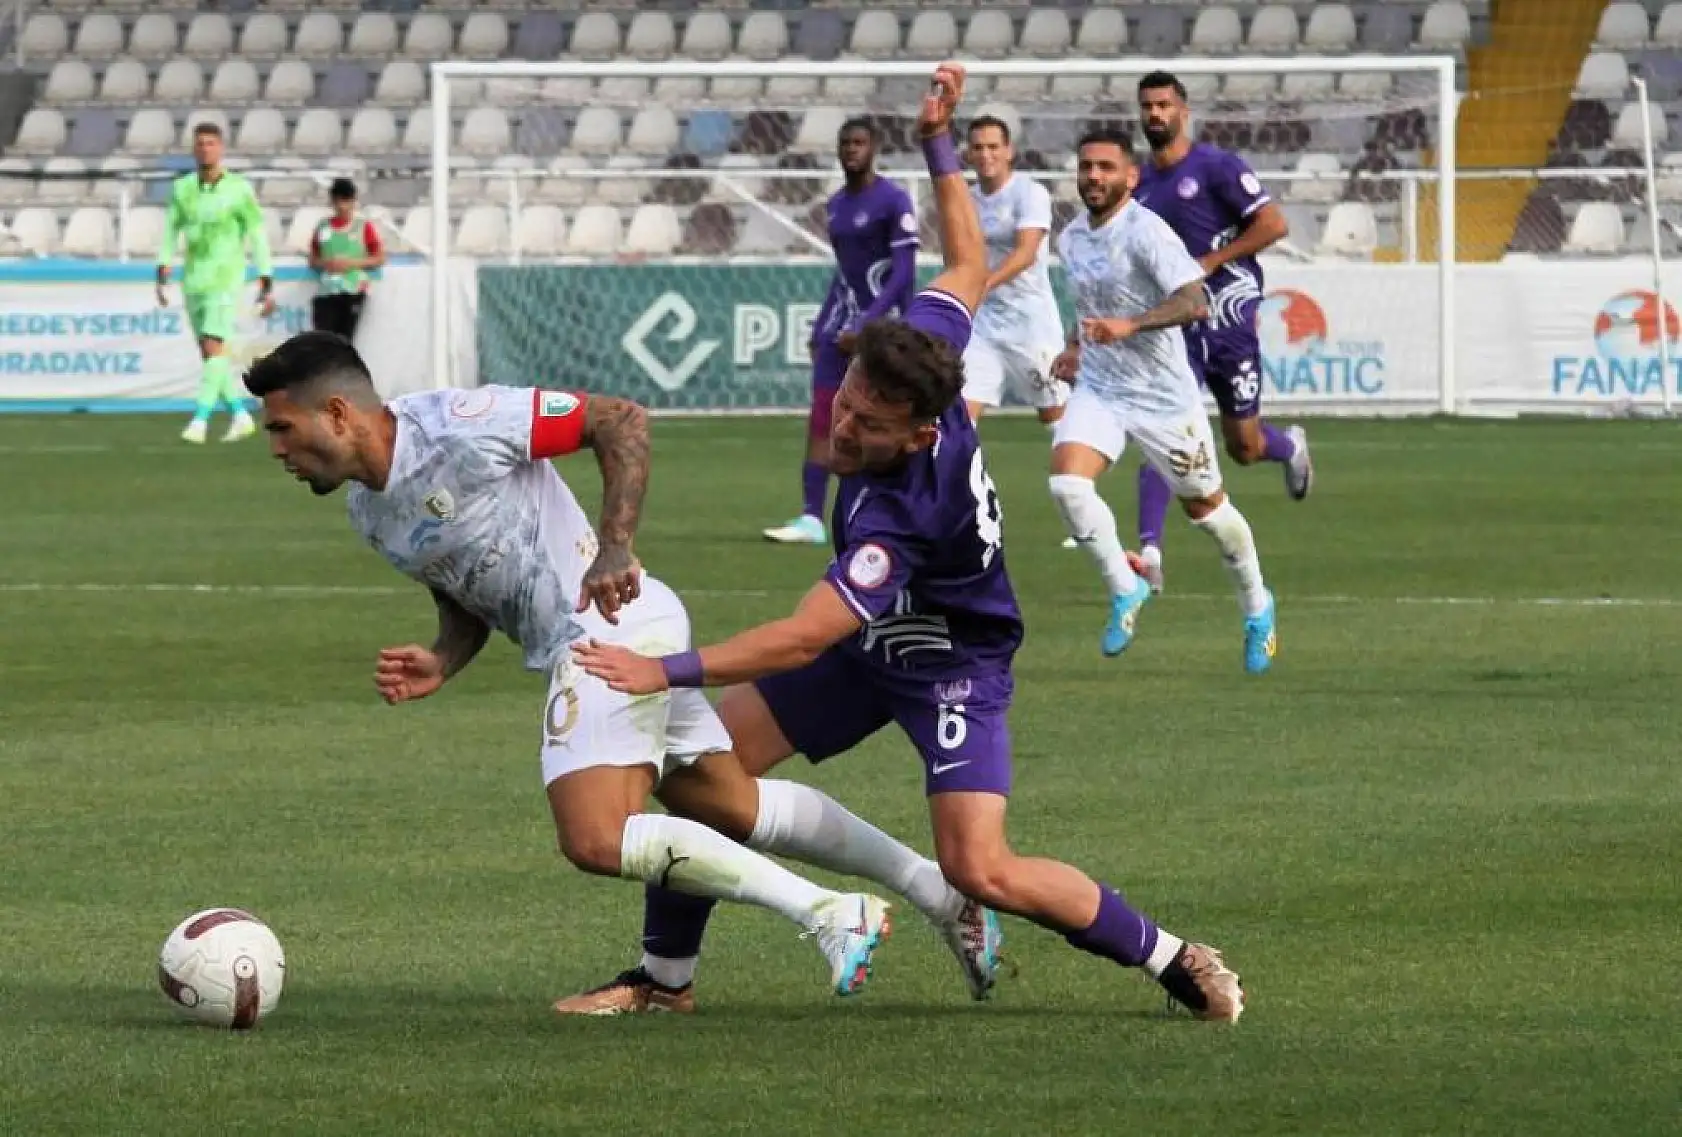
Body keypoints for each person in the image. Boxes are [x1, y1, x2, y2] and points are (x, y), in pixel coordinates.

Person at [570, 64, 1244, 1023]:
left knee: (985, 864)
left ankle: (1174, 956)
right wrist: (938, 142)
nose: (844, 432)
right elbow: (966, 263)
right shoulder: (918, 351)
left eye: (868, 427)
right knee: (699, 780)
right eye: (846, 406)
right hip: (868, 642)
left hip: (949, 662)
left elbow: (804, 634)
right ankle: (664, 980)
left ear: (921, 433)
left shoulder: (904, 510)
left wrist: (664, 671)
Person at [242, 332, 1003, 1011]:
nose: (275, 447)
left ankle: (830, 913)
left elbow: (620, 418)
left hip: (607, 627)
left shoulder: (460, 422)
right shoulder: (368, 513)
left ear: (337, 412)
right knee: (731, 806)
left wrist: (615, 543)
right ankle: (936, 890)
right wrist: (444, 655)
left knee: (595, 836)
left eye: (282, 426)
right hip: (606, 633)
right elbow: (467, 588)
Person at [1049, 128, 1278, 673]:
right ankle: (1125, 588)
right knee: (1067, 484)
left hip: (1162, 397)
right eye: (1086, 167)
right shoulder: (1072, 238)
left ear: (1131, 177)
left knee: (1208, 512)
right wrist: (1075, 345)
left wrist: (1131, 325)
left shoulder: (1148, 233)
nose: (1094, 177)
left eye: (1106, 167)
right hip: (1102, 387)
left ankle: (1257, 607)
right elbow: (1089, 301)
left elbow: (1195, 301)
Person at [1131, 70, 1313, 593]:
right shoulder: (1138, 186)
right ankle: (1149, 552)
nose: (1156, 115)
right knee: (1165, 431)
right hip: (1174, 328)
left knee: (1244, 447)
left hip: (1230, 324)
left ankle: (1288, 447)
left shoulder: (1216, 167)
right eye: (1147, 106)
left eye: (1164, 105)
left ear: (1183, 111)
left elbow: (1273, 225)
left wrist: (1212, 260)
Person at [763, 119, 918, 546]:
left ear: (875, 148)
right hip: (841, 330)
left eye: (859, 142)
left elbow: (903, 272)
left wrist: (869, 326)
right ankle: (812, 518)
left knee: (886, 423)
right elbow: (845, 275)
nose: (851, 149)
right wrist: (822, 325)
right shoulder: (835, 205)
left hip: (884, 330)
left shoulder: (893, 200)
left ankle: (900, 509)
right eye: (845, 143)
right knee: (823, 419)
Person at [158, 121, 274, 445]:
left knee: (213, 344)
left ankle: (199, 420)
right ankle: (239, 414)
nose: (205, 148)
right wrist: (163, 264)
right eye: (200, 143)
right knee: (212, 355)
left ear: (220, 148)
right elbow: (171, 229)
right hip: (193, 279)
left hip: (225, 278)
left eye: (211, 143)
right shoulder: (182, 189)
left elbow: (257, 233)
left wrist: (266, 273)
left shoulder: (239, 189)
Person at [960, 115, 1068, 431]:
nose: (985, 154)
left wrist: (984, 284)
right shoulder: (966, 199)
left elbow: (1025, 254)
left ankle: (1079, 476)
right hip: (983, 325)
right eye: (978, 147)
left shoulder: (1030, 193)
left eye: (993, 146)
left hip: (1030, 324)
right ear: (968, 153)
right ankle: (962, 480)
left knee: (1055, 417)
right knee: (960, 416)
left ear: (1009, 151)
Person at [308, 178, 384, 342]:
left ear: (353, 202)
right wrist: (327, 263)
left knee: (344, 342)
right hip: (327, 291)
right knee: (324, 343)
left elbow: (379, 257)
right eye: (338, 201)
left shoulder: (363, 227)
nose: (342, 206)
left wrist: (352, 263)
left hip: (353, 290)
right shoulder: (323, 227)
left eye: (346, 201)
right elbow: (313, 258)